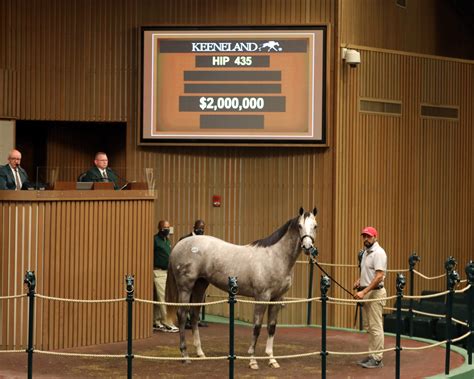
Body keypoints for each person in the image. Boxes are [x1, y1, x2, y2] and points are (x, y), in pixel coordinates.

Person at [353, 226, 387, 369]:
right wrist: (359, 281)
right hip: (368, 293)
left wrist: (363, 292)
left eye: (369, 236)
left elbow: (379, 276)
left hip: (375, 293)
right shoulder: (366, 253)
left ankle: (377, 358)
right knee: (369, 327)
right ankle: (372, 355)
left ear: (375, 237)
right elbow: (369, 272)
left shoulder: (378, 253)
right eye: (364, 236)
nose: (366, 239)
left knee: (376, 327)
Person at [179, 220, 208, 329]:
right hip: (187, 273)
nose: (201, 230)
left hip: (201, 275)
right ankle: (184, 320)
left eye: (202, 228)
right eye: (199, 228)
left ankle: (195, 319)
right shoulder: (184, 240)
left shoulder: (205, 241)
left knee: (198, 297)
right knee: (187, 296)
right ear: (194, 227)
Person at [153, 220, 178, 333]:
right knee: (163, 297)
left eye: (168, 227)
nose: (167, 229)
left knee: (158, 298)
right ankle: (168, 322)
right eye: (164, 227)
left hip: (167, 272)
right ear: (159, 228)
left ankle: (156, 321)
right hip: (158, 272)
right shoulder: (155, 240)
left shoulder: (167, 240)